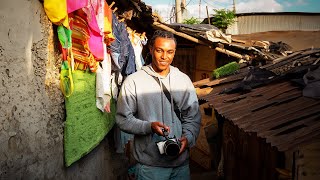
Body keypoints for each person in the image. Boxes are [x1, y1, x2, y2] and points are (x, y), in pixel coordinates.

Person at [116, 30, 201, 180]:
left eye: (170, 52)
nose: (164, 57)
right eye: (159, 50)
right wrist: (149, 126)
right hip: (150, 168)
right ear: (150, 49)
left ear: (174, 53)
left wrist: (187, 138)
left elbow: (193, 117)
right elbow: (123, 119)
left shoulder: (183, 80)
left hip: (180, 166)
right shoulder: (134, 81)